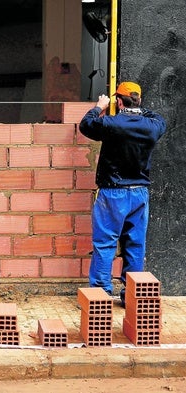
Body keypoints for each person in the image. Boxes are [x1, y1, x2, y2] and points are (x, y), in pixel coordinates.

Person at [79, 81, 167, 307]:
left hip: (112, 193)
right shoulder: (153, 126)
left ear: (118, 101)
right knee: (135, 244)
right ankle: (132, 295)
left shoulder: (111, 123)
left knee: (105, 243)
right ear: (138, 100)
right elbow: (158, 118)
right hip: (139, 193)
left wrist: (99, 106)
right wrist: (137, 108)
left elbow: (86, 125)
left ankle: (100, 296)